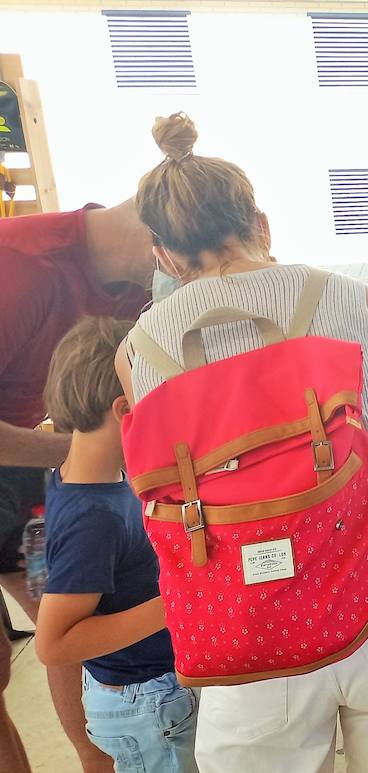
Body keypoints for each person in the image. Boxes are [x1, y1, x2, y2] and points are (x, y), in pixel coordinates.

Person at [114, 112, 368, 772]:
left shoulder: (140, 351)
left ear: (163, 254)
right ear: (262, 223)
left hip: (242, 622)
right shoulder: (356, 300)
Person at [0, 199, 154, 772]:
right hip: (35, 459)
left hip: (33, 474)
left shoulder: (132, 285)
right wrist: (81, 450)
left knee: (57, 602)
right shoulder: (21, 266)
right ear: (154, 234)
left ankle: (100, 757)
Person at [34, 317, 195, 772]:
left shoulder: (102, 474)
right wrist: (178, 598)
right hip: (146, 703)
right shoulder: (92, 517)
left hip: (152, 690)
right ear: (126, 409)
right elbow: (54, 643)